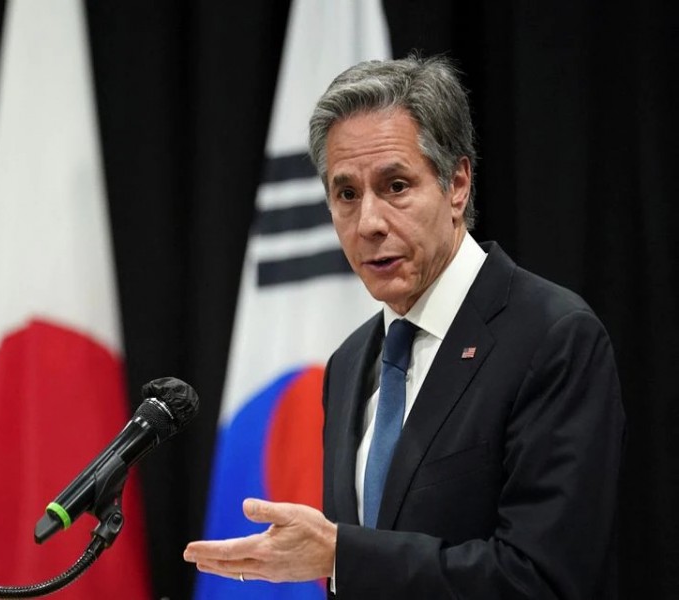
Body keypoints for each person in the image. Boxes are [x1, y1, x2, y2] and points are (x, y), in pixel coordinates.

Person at [184, 55, 624, 598]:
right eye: (346, 195)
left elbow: (542, 578)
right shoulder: (348, 365)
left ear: (457, 183)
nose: (368, 223)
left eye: (395, 185)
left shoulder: (552, 337)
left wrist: (342, 556)